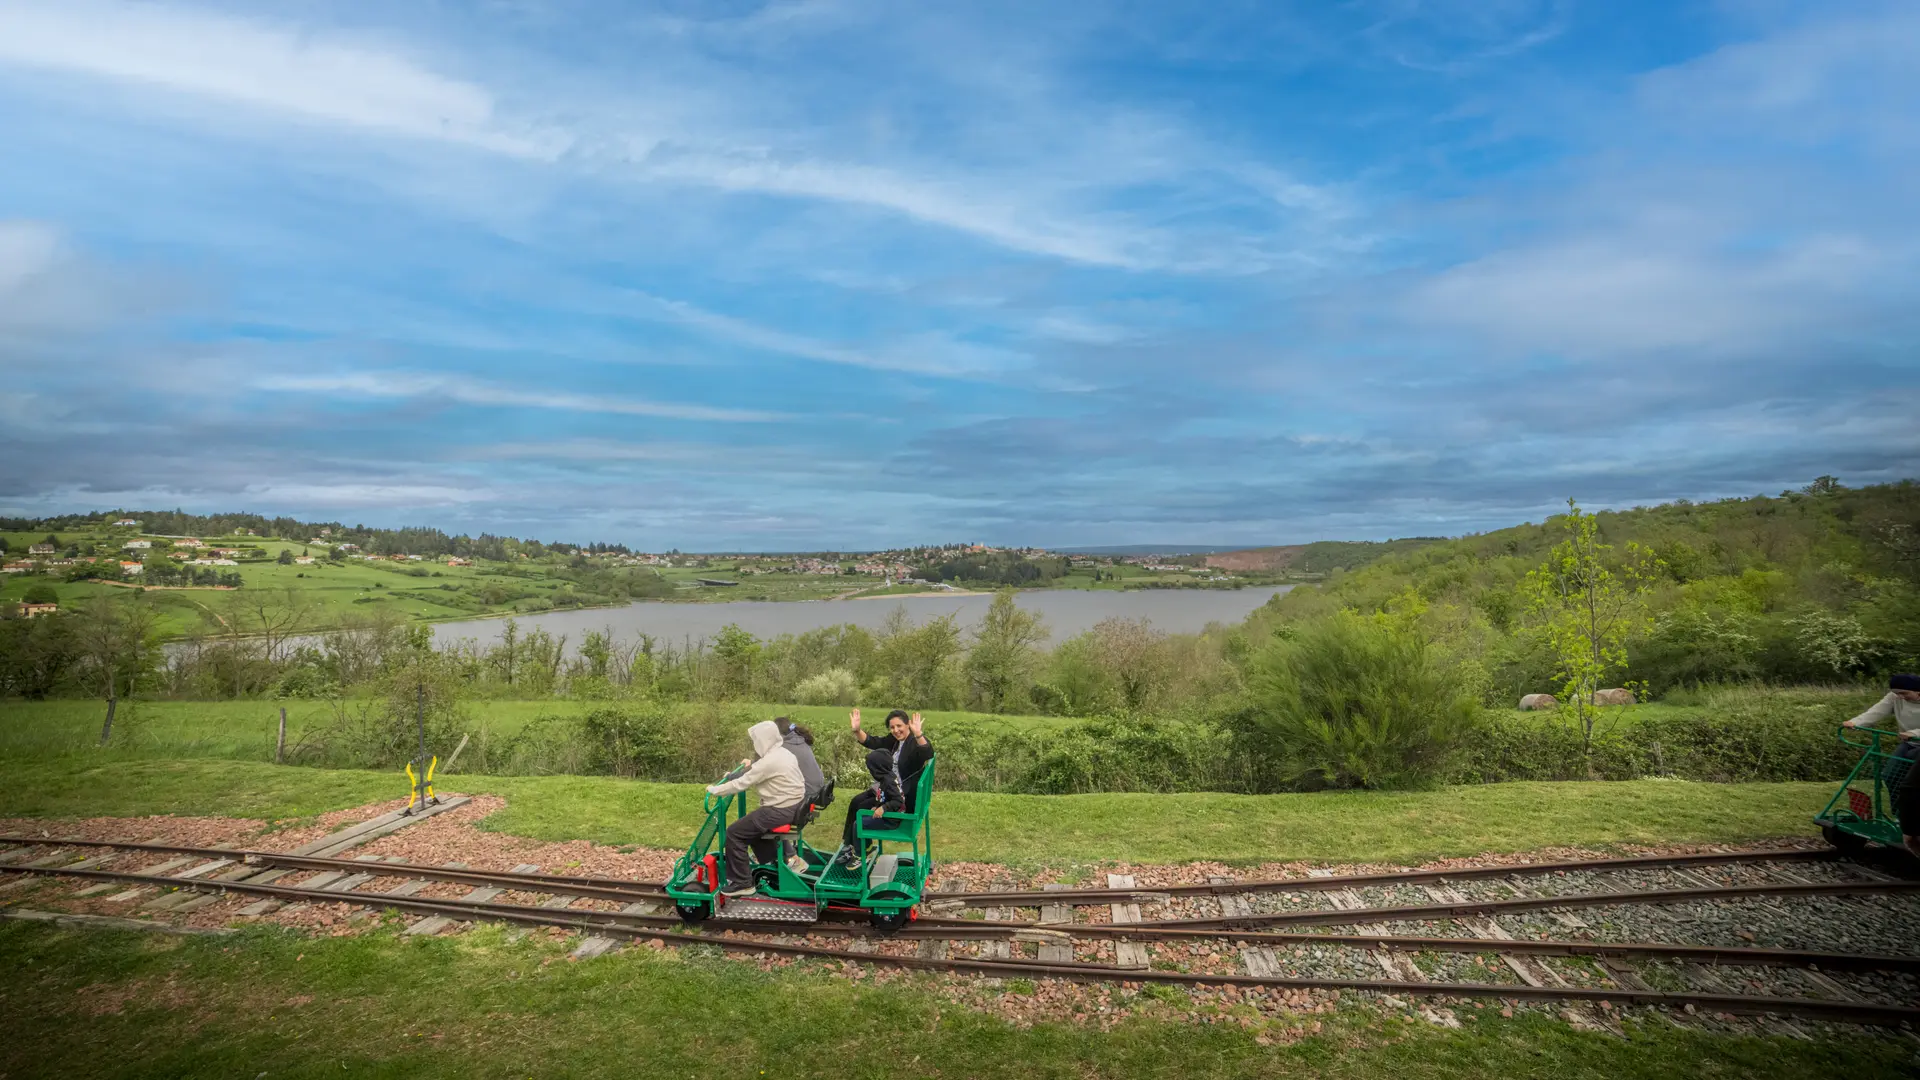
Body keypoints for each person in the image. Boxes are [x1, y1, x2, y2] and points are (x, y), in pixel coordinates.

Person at [705, 720, 807, 898]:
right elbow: (754, 770)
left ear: (763, 741)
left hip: (780, 810)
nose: (755, 744)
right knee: (751, 830)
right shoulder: (784, 753)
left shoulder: (768, 762)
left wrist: (715, 790)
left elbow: (741, 783)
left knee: (734, 833)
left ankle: (742, 883)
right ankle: (780, 861)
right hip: (794, 805)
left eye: (756, 741)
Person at [835, 707, 933, 868]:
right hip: (888, 787)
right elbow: (873, 742)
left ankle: (861, 850)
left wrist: (918, 734)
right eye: (892, 727)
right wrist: (857, 730)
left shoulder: (913, 743)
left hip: (898, 794)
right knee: (856, 801)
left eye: (899, 726)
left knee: (861, 808)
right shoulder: (894, 740)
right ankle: (850, 845)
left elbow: (927, 753)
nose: (896, 730)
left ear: (908, 724)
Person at [1844, 674, 1920, 856]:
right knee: (1890, 774)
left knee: (1912, 784)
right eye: (1897, 694)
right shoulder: (1895, 697)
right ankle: (1902, 817)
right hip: (1909, 743)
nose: (1900, 697)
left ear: (1918, 691)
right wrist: (1855, 722)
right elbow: (1877, 710)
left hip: (1916, 740)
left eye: (1904, 693)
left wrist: (1914, 732)